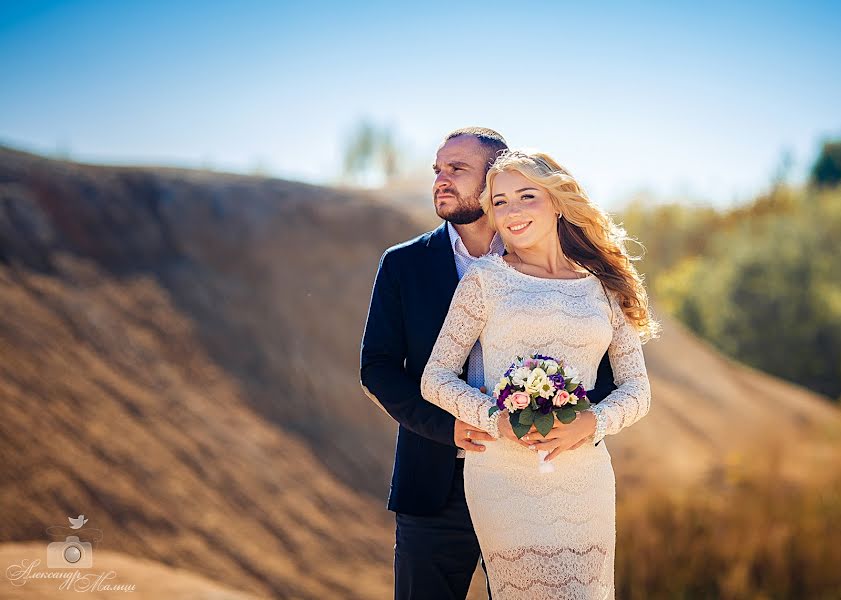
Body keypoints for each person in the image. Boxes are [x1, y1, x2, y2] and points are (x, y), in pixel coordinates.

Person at [360, 130, 618, 599]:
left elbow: (600, 369)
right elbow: (376, 368)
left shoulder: (556, 266)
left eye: (457, 170)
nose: (442, 179)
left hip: (538, 481)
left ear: (493, 178)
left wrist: (578, 423)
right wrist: (447, 426)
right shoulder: (404, 264)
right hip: (434, 487)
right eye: (437, 170)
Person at [420, 150, 659, 599]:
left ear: (557, 202)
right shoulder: (485, 280)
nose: (512, 212)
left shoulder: (603, 286)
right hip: (502, 475)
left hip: (583, 475)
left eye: (526, 196)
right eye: (501, 201)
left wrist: (594, 423)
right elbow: (436, 376)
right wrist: (497, 419)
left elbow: (637, 388)